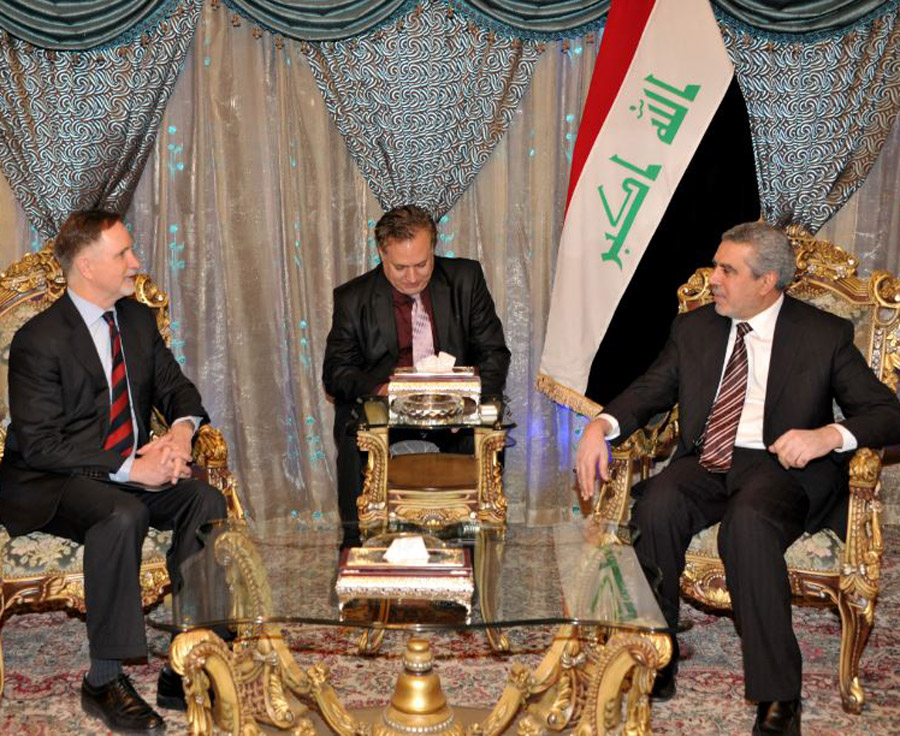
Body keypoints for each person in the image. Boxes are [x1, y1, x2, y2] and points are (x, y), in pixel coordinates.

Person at [576, 222, 900, 736]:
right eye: (716, 265)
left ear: (767, 281)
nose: (714, 279)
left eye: (727, 270)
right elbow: (649, 390)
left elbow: (888, 413)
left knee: (747, 525)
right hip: (708, 459)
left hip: (780, 467)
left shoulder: (822, 334)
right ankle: (658, 652)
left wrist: (828, 435)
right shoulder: (694, 328)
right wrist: (601, 425)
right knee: (657, 505)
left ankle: (778, 696)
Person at [0, 210, 227, 734]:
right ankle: (103, 679)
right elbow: (41, 445)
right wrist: (132, 467)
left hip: (126, 470)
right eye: (123, 253)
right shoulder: (40, 339)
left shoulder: (137, 321)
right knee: (121, 513)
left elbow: (178, 390)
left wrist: (180, 436)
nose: (136, 262)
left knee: (206, 502)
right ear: (86, 266)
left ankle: (184, 661)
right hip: (54, 480)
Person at [323, 204, 510, 524]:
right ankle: (358, 538)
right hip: (386, 408)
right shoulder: (353, 298)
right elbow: (336, 373)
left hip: (455, 406)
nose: (412, 277)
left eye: (422, 264)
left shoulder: (466, 279)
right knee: (355, 436)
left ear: (433, 249)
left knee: (483, 431)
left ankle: (472, 533)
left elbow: (494, 354)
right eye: (400, 267)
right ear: (382, 254)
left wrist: (467, 404)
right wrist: (382, 391)